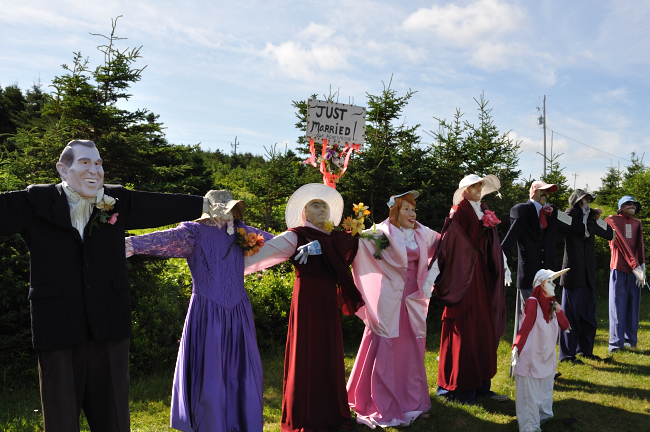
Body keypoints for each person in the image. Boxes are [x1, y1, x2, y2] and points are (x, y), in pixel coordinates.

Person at [0, 140, 214, 431]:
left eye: (98, 163)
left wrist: (205, 204)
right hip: (57, 326)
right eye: (85, 162)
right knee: (61, 419)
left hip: (109, 324)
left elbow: (157, 205)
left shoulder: (116, 199)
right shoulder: (36, 201)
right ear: (62, 169)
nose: (94, 170)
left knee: (113, 418)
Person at [125, 190, 274, 432]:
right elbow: (162, 239)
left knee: (243, 370)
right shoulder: (192, 232)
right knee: (210, 372)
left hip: (239, 310)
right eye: (225, 210)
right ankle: (211, 423)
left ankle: (241, 420)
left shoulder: (242, 231)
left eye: (231, 210)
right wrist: (130, 244)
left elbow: (278, 243)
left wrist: (300, 242)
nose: (229, 215)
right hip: (208, 310)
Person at [244, 183, 364, 432]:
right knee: (307, 351)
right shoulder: (295, 236)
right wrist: (226, 264)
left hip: (327, 301)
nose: (322, 209)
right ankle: (306, 415)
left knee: (328, 352)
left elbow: (360, 246)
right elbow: (259, 256)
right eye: (315, 205)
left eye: (325, 206)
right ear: (305, 212)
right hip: (307, 301)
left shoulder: (335, 238)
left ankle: (331, 411)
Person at [346, 191, 440, 428]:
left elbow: (446, 243)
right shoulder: (381, 232)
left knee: (411, 346)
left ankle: (413, 401)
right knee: (386, 343)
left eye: (413, 209)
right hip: (389, 297)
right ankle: (379, 401)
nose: (412, 213)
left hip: (414, 297)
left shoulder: (423, 232)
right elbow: (356, 245)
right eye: (406, 208)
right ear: (395, 211)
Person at [430, 174, 508, 404]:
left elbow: (493, 242)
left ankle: (482, 385)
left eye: (480, 185)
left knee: (483, 327)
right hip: (464, 276)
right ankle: (459, 389)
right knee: (465, 328)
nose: (479, 189)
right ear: (464, 190)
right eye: (474, 186)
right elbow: (448, 243)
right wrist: (433, 274)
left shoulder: (484, 209)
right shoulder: (459, 211)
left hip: (482, 276)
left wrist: (502, 264)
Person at [501, 181, 579, 352]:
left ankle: (542, 358)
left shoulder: (552, 211)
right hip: (529, 273)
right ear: (533, 192)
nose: (545, 194)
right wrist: (499, 257)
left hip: (548, 276)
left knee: (546, 317)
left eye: (547, 191)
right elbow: (512, 235)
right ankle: (522, 357)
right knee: (528, 318)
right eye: (542, 191)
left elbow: (570, 226)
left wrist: (587, 217)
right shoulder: (521, 210)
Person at [511, 268, 571, 432]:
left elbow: (565, 325)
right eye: (550, 282)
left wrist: (558, 310)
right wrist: (517, 347)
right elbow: (525, 327)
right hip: (531, 358)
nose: (554, 285)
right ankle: (530, 426)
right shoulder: (533, 302)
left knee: (545, 390)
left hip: (546, 357)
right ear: (541, 285)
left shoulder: (551, 304)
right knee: (529, 395)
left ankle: (544, 416)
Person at [558, 189, 613, 363]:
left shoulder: (590, 218)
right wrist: (579, 217)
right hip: (573, 275)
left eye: (589, 199)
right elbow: (558, 222)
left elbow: (610, 233)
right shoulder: (569, 214)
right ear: (577, 201)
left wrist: (598, 219)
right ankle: (567, 355)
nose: (588, 201)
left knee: (589, 316)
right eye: (585, 199)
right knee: (570, 316)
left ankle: (585, 351)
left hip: (588, 276)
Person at [605, 195, 646, 353]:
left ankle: (631, 340)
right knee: (617, 306)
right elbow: (621, 243)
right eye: (628, 203)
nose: (632, 206)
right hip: (619, 268)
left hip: (635, 273)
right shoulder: (612, 220)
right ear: (621, 206)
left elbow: (639, 245)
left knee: (633, 305)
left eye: (634, 204)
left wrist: (642, 267)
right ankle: (616, 344)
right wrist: (636, 266)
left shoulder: (637, 223)